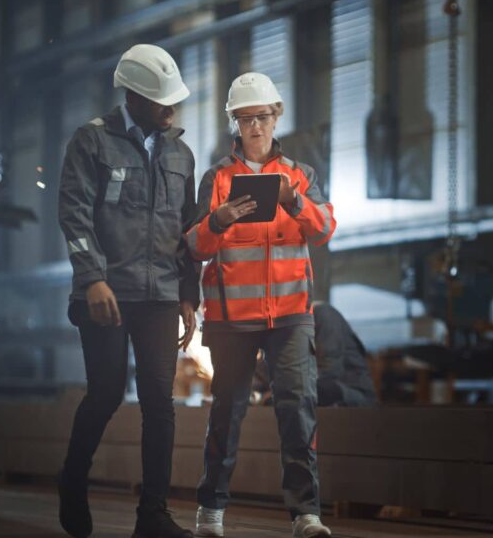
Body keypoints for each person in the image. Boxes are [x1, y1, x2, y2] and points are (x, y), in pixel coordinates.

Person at [57, 43, 199, 538]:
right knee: (107, 392)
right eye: (163, 101)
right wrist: (92, 278)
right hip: (107, 294)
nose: (172, 109)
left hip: (160, 294)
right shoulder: (92, 143)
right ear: (134, 97)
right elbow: (74, 214)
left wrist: (188, 294)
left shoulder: (181, 154)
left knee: (160, 400)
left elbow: (189, 230)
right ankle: (73, 480)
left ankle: (153, 515)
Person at [187, 72, 336, 538]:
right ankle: (211, 512)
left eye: (263, 117)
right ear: (234, 122)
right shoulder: (217, 179)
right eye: (246, 119)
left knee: (297, 409)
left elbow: (325, 228)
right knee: (225, 415)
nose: (255, 127)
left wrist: (294, 202)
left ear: (277, 118)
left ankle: (306, 515)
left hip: (291, 316)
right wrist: (219, 219)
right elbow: (194, 246)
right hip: (233, 321)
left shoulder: (300, 176)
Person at [313, 302, 377, 407]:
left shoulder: (323, 314)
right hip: (327, 390)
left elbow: (330, 372)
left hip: (355, 394)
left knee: (313, 390)